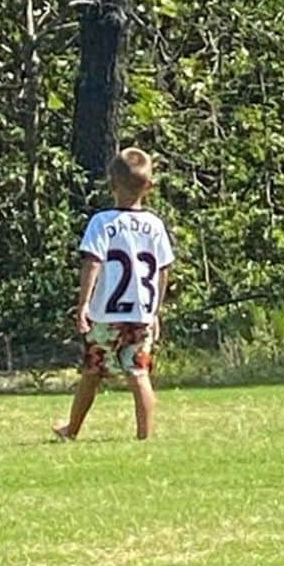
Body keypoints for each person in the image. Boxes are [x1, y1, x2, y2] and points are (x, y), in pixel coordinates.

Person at [54, 147, 174, 441]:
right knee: (139, 371)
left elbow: (92, 262)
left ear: (111, 184)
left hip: (106, 314)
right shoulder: (155, 225)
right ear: (149, 186)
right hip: (140, 314)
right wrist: (156, 310)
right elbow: (162, 270)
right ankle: (144, 434)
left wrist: (83, 303)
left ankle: (72, 429)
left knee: (93, 372)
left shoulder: (102, 222)